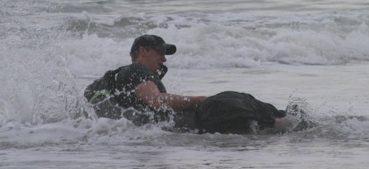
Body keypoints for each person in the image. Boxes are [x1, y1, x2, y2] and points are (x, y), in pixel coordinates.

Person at [84, 34, 300, 133]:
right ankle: (285, 121)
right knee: (227, 99)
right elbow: (157, 101)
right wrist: (201, 99)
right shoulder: (136, 70)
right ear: (143, 52)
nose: (164, 59)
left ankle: (279, 122)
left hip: (185, 128)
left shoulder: (115, 79)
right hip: (195, 122)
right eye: (160, 52)